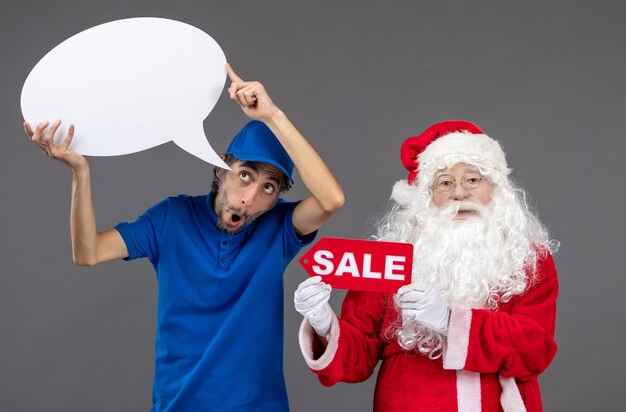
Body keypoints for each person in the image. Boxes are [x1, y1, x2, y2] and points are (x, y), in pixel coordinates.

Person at [24, 64, 345, 412]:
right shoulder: (171, 218)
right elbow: (89, 252)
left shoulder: (278, 230)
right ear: (220, 168)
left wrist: (273, 115)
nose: (249, 198)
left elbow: (332, 200)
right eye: (245, 175)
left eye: (268, 187)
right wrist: (80, 172)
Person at [294, 121, 558, 412]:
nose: (460, 193)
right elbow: (358, 359)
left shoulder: (527, 259)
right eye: (445, 182)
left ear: (494, 188)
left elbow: (535, 349)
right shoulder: (391, 258)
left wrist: (449, 321)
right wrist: (324, 325)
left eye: (473, 180)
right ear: (427, 197)